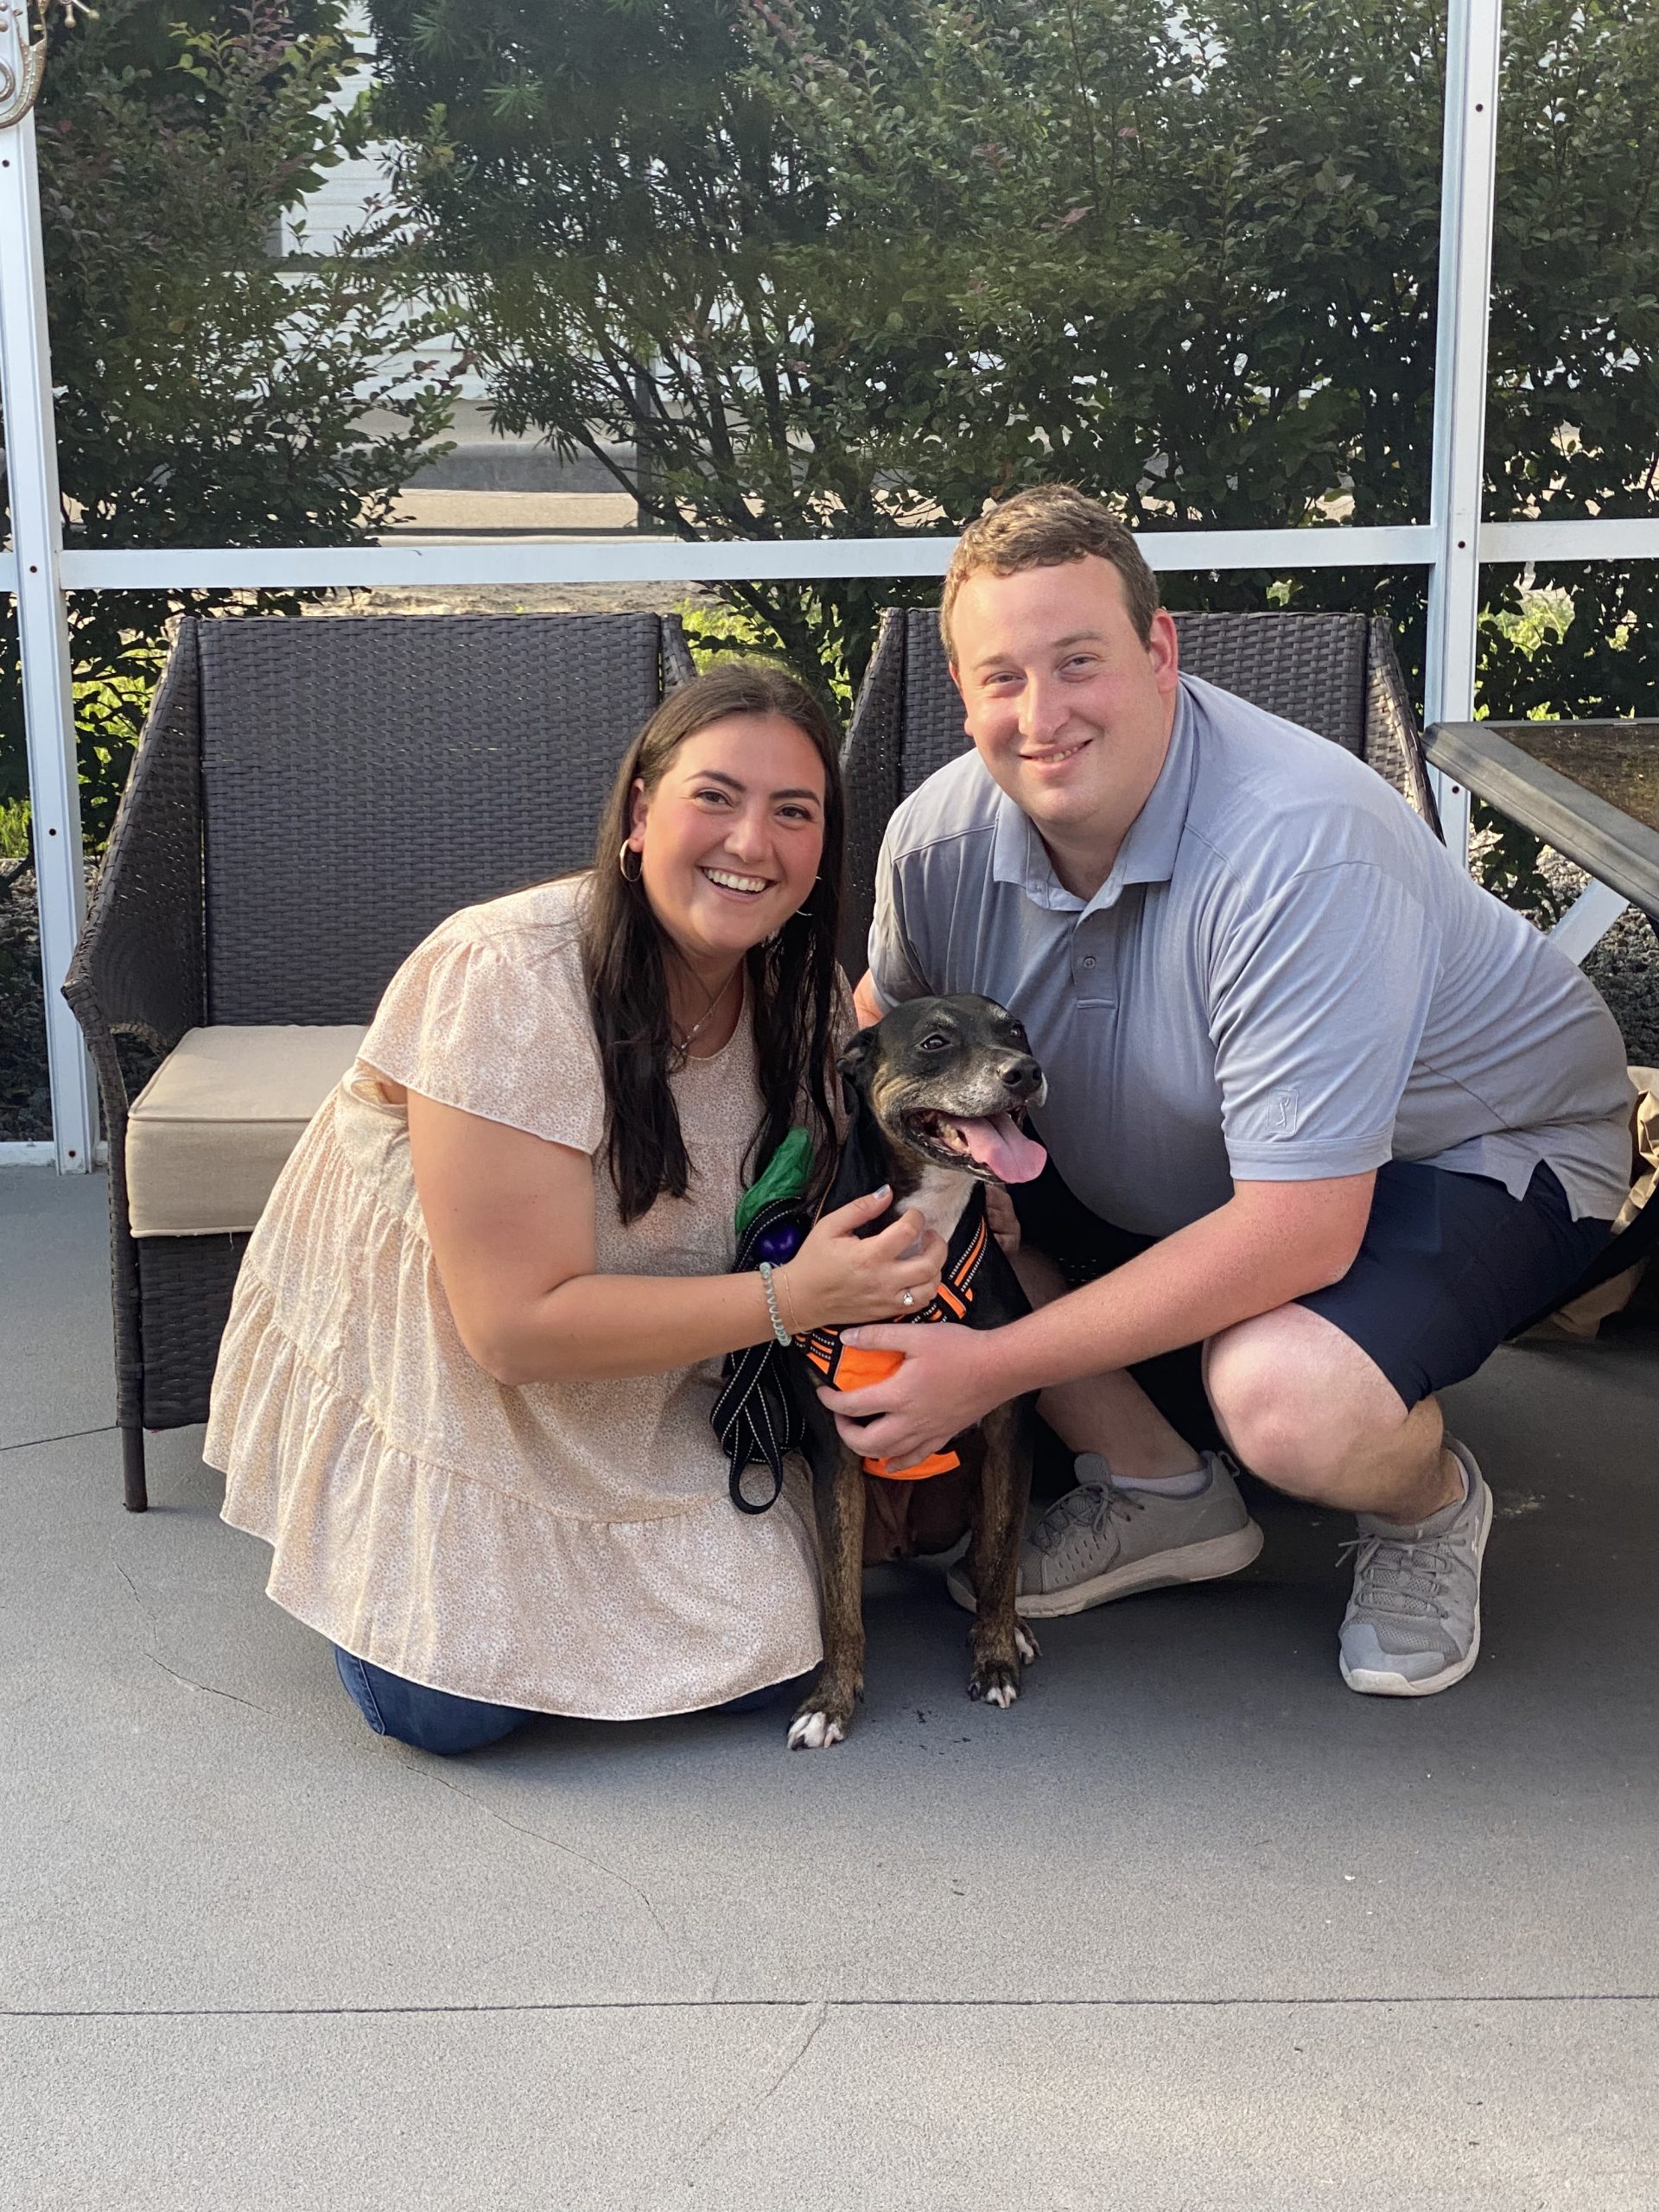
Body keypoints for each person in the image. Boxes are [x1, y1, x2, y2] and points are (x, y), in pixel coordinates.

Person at [823, 485, 1631, 1698]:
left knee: (1285, 1396)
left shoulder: (1297, 843)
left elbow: (1299, 1226)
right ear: (962, 693)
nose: (1040, 717)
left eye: (1078, 662)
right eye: (1002, 678)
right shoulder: (936, 844)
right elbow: (887, 1026)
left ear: (1159, 652)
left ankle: (1429, 1507)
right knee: (949, 1196)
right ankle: (1159, 1490)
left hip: (1473, 1149)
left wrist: (984, 1371)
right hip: (1195, 1160)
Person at [205, 664, 948, 1753]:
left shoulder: (797, 990)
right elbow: (509, 1331)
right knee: (449, 1709)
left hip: (657, 1368)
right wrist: (791, 1300)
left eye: (795, 813)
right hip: (467, 1361)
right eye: (716, 797)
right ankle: (376, 1539)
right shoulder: (505, 977)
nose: (754, 842)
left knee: (773, 1653)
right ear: (641, 814)